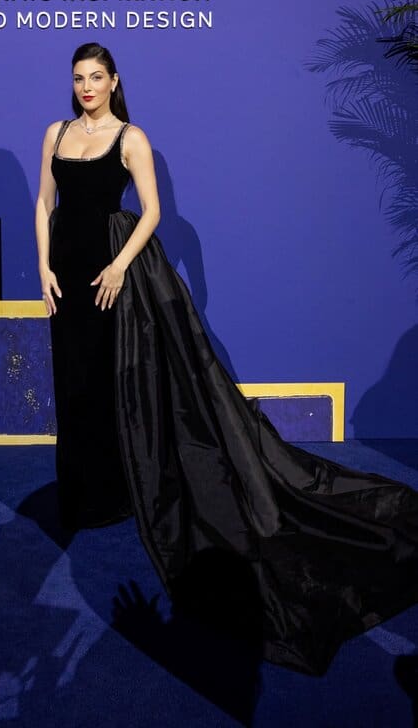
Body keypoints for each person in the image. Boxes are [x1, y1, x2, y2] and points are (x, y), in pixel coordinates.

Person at [35, 41, 418, 677]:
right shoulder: (55, 132)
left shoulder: (131, 138)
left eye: (97, 77)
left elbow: (153, 212)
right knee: (74, 384)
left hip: (113, 274)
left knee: (115, 384)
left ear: (115, 81)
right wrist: (44, 266)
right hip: (66, 276)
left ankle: (124, 490)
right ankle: (87, 498)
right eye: (79, 78)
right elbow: (43, 203)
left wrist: (120, 267)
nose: (87, 87)